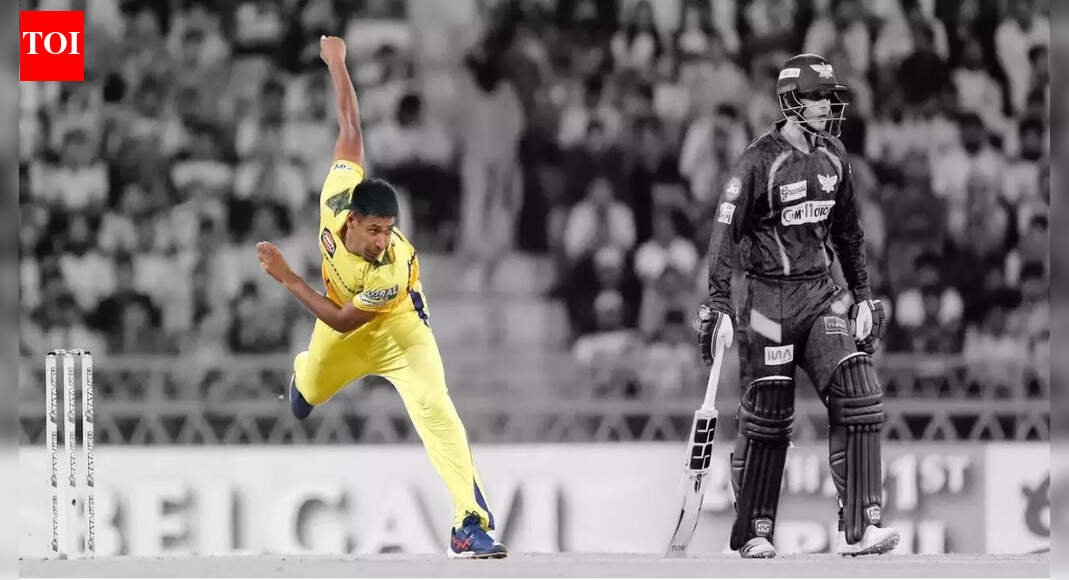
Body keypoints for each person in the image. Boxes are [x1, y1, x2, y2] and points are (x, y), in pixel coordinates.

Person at [255, 36, 507, 560]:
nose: (381, 240)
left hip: (397, 330)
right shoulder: (335, 197)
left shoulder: (392, 266)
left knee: (437, 410)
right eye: (374, 230)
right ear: (351, 219)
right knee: (305, 400)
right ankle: (303, 377)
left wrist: (288, 278)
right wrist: (337, 63)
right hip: (339, 330)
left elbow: (345, 320)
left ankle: (469, 524)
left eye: (389, 229)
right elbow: (350, 126)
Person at [694, 53, 900, 559]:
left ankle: (861, 527)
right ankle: (754, 531)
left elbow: (850, 234)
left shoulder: (835, 155)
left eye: (831, 97)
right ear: (790, 101)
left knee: (859, 389)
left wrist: (863, 295)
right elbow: (723, 234)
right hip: (767, 303)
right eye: (817, 97)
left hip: (820, 295)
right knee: (769, 413)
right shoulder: (757, 162)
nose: (828, 106)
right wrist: (718, 302)